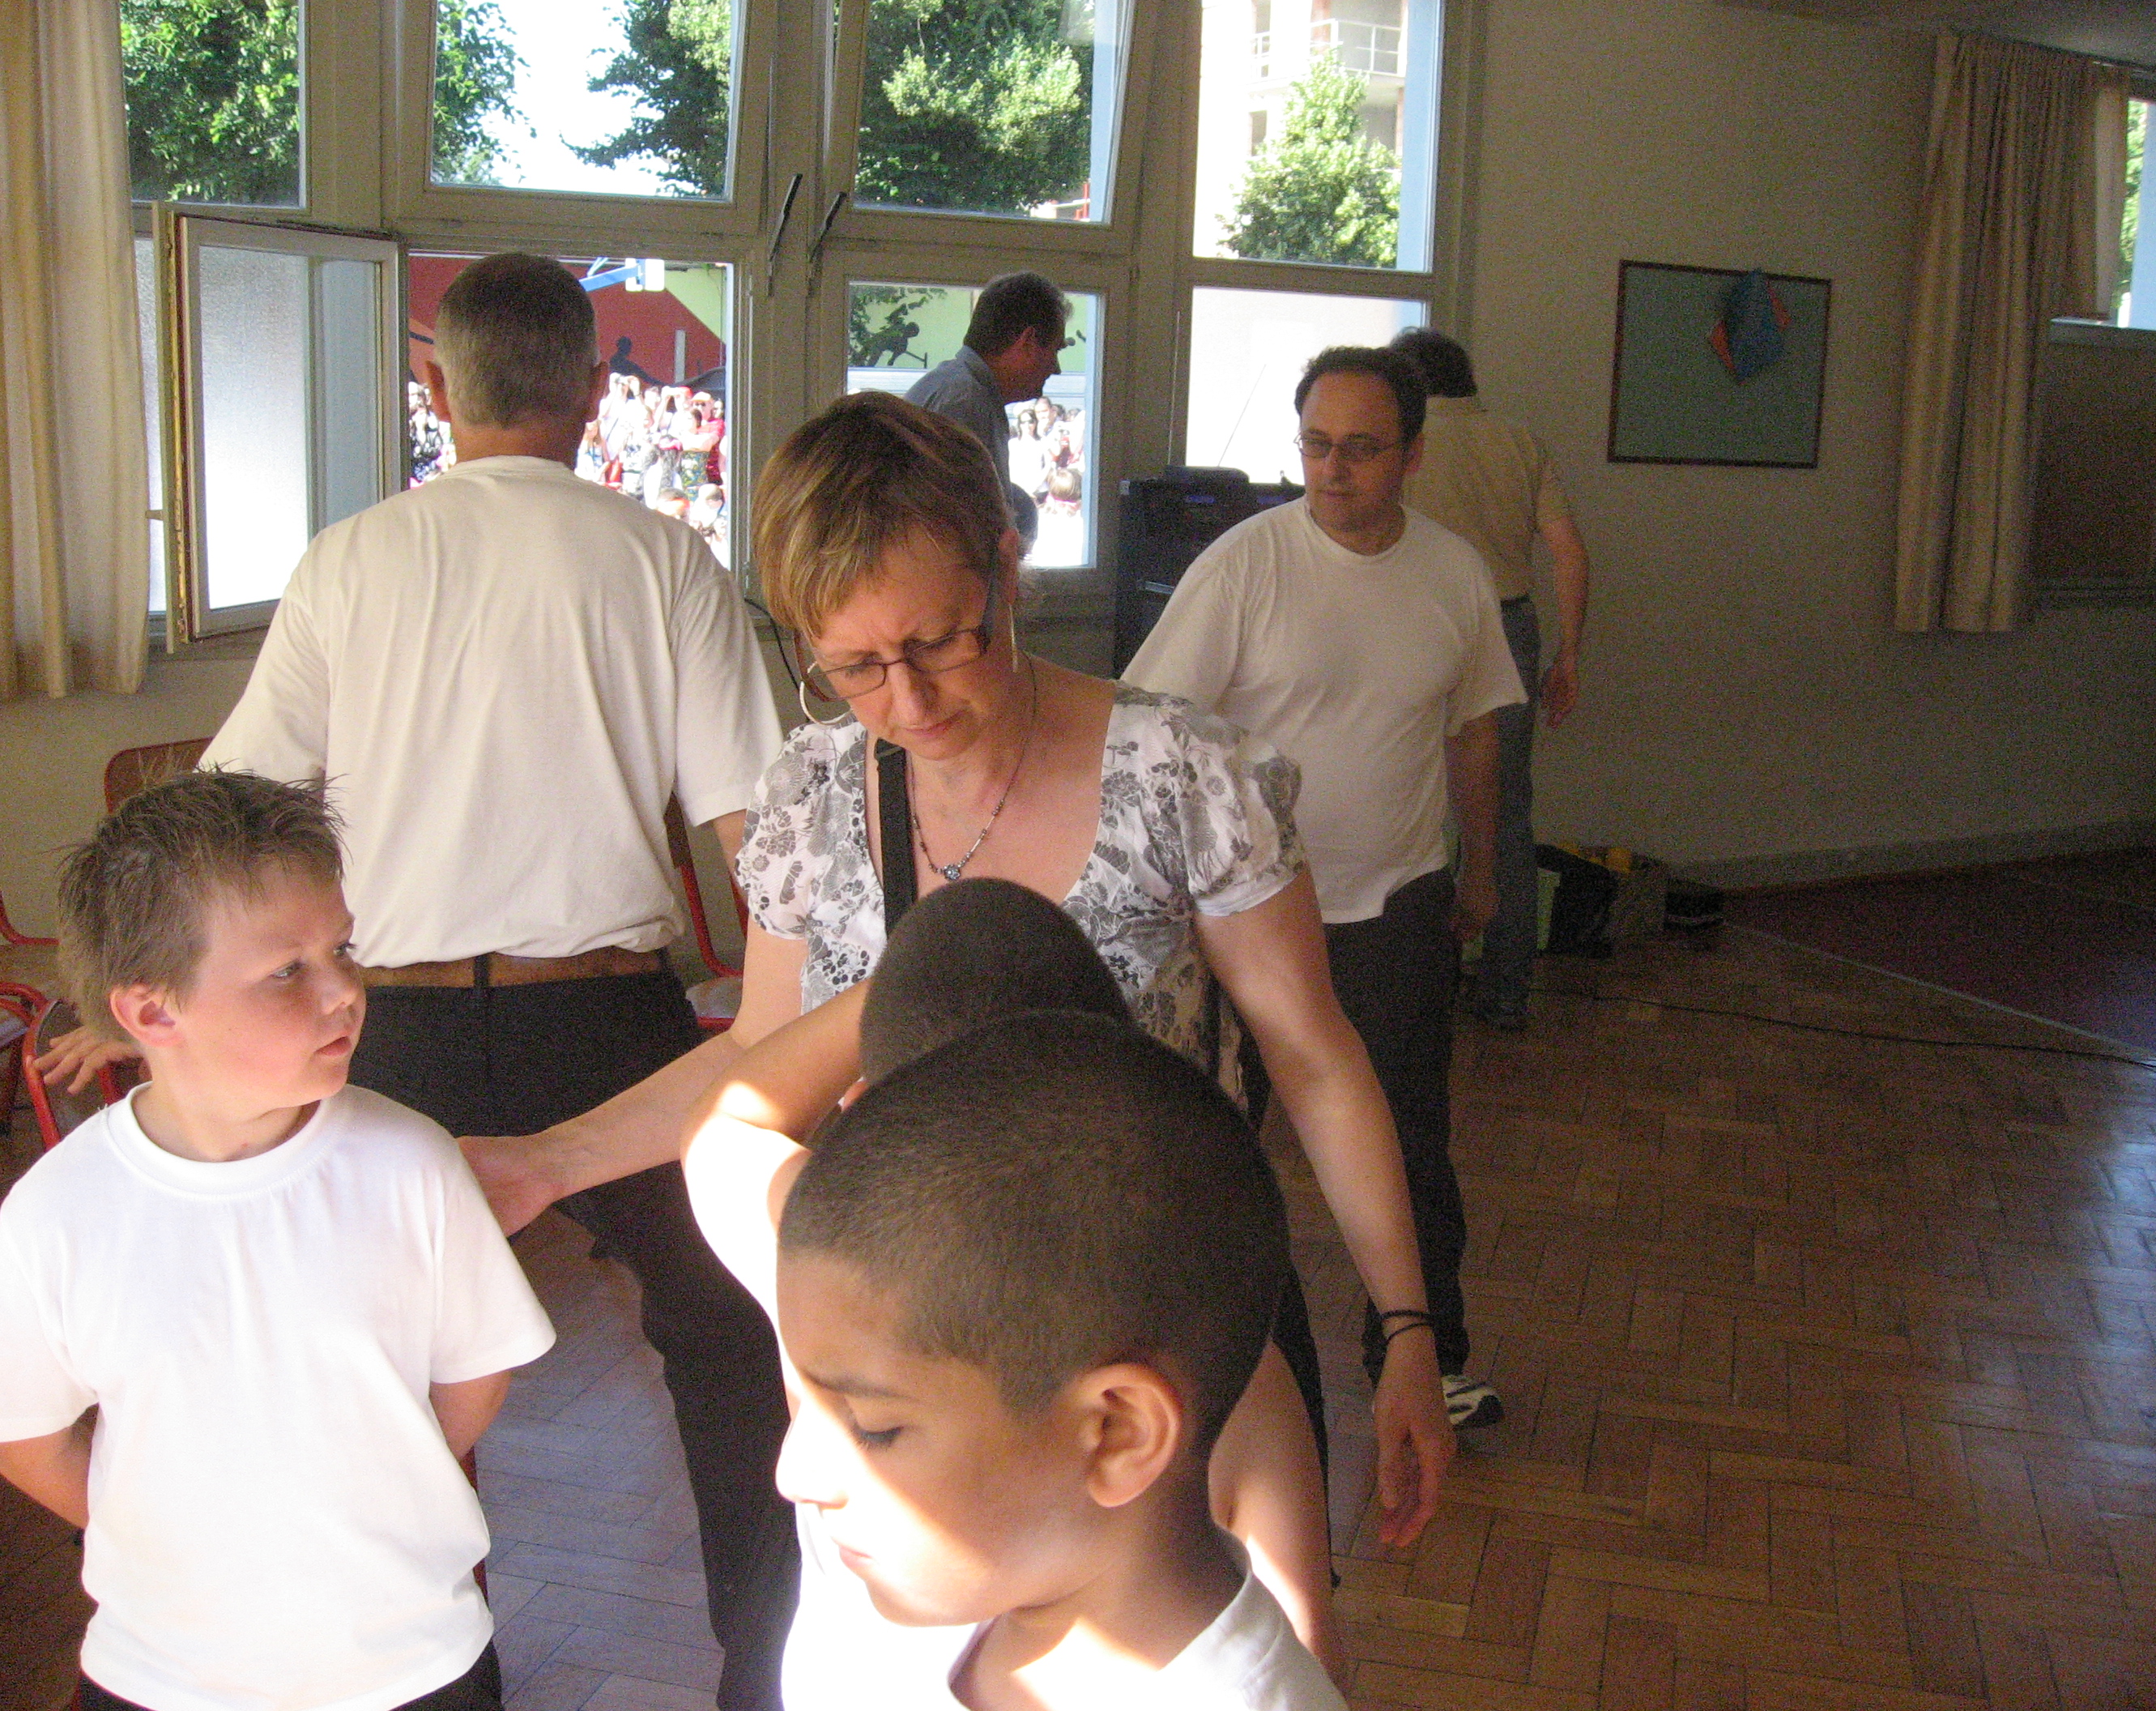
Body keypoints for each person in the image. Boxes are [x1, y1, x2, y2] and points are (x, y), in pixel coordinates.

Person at [464, 390, 1453, 1555]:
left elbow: (1315, 1060)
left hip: (1165, 1330)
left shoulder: (1183, 774)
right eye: (854, 667)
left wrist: (1407, 1329)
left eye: (940, 642)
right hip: (932, 1375)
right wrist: (546, 1162)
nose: (909, 702)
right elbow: (760, 1059)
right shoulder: (815, 795)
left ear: (1005, 569)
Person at [193, 254, 792, 1710]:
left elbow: (230, 816)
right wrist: (827, 1017)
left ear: (434, 384)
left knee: (377, 1375)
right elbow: (766, 839)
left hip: (379, 1033)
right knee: (731, 1341)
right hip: (607, 1021)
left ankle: (428, 1685)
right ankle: (767, 1679)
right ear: (593, 388)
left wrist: (145, 1003)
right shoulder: (663, 559)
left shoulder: (349, 560)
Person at [0, 770, 555, 1711]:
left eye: (342, 948)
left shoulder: (410, 1162)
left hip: (412, 1663)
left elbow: (475, 1371)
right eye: (287, 971)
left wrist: (379, 1492)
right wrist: (169, 1544)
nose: (343, 992)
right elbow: (27, 1435)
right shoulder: (55, 1213)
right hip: (163, 1677)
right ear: (153, 1013)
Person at [681, 1007, 1345, 1711]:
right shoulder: (935, 1576)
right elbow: (721, 1139)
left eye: (876, 1428)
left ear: (1116, 1433)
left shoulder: (950, 1557)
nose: (792, 1477)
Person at [1124, 345, 1523, 1432]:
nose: (1332, 470)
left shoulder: (1453, 573)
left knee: (1409, 1145)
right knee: (1213, 1151)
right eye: (1314, 446)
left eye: (1360, 449)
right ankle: (1201, 1364)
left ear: (1413, 456)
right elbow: (1147, 727)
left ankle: (1425, 1358)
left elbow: (1475, 732)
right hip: (1246, 922)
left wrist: (1482, 870)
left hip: (1396, 905)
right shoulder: (1246, 566)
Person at [1390, 326, 1591, 1033]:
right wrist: (1569, 655)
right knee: (1504, 816)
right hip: (1510, 627)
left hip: (1418, 625)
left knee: (1407, 805)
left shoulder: (1404, 446)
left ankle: (1417, 991)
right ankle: (1507, 994)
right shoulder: (1520, 443)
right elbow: (1569, 552)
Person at [904, 271, 1069, 548]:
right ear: (1028, 341)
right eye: (1055, 350)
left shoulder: (963, 392)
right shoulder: (964, 403)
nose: (1056, 368)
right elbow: (954, 540)